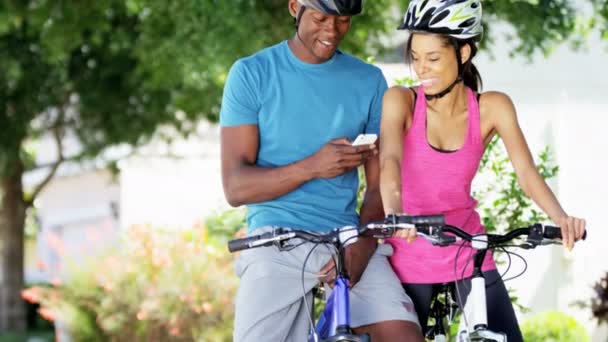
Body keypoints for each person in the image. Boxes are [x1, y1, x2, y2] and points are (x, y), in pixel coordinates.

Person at [379, 0, 587, 340]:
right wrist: (395, 214)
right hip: (410, 245)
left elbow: (526, 172)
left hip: (467, 248)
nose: (421, 69)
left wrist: (560, 217)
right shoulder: (401, 100)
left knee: (505, 337)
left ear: (463, 53)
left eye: (433, 59)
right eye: (415, 58)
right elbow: (390, 161)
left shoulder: (492, 107)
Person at [219, 0, 423, 341]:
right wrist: (312, 167)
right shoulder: (252, 74)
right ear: (295, 7)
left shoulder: (370, 81)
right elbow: (236, 187)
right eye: (320, 17)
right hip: (275, 242)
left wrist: (364, 241)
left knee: (403, 336)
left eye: (342, 20)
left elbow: (379, 185)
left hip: (347, 238)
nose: (332, 30)